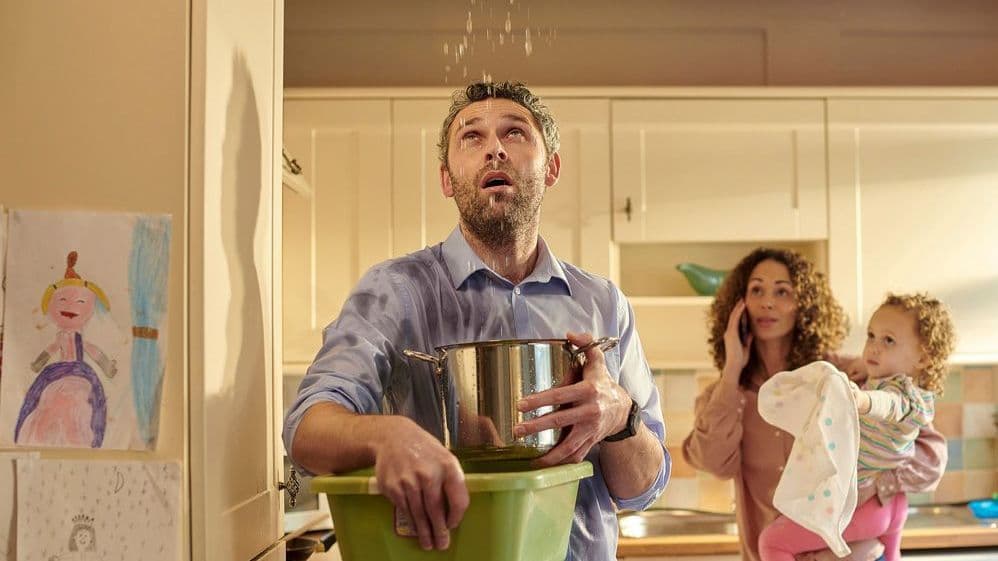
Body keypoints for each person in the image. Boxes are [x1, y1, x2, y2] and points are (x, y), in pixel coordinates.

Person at [283, 81, 670, 560]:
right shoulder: (393, 292)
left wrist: (620, 416)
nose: (495, 150)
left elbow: (641, 489)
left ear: (550, 168)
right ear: (447, 178)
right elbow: (306, 430)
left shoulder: (604, 304)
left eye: (515, 133)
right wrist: (389, 435)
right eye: (472, 137)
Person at [682, 248, 947, 561]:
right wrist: (731, 370)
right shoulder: (726, 395)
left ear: (804, 304)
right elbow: (713, 463)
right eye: (757, 290)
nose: (768, 301)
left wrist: (874, 482)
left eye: (782, 291)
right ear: (739, 305)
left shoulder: (847, 377)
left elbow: (931, 459)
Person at [758, 293, 955, 561]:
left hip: (864, 507)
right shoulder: (882, 381)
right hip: (890, 507)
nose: (873, 347)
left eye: (888, 340)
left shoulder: (910, 400)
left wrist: (862, 400)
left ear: (923, 358)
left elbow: (889, 404)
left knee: (772, 541)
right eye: (871, 336)